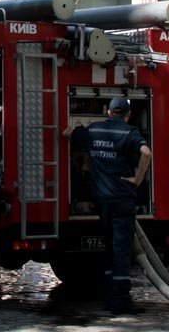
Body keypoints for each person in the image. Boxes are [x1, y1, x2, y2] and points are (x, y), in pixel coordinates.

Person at [65, 96, 151, 315]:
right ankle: (120, 301)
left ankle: (108, 296)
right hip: (123, 199)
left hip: (102, 201)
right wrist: (138, 179)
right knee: (122, 249)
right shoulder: (129, 132)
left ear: (108, 112)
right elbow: (146, 153)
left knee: (108, 248)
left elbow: (67, 134)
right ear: (128, 115)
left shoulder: (93, 131)